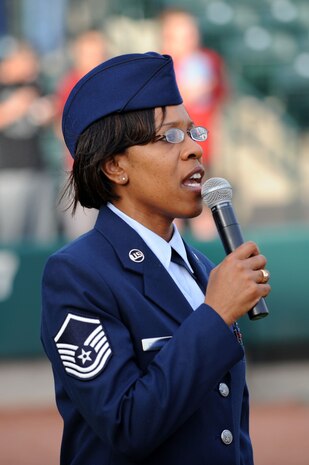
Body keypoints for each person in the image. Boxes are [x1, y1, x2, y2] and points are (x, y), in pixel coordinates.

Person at [41, 52, 271, 465]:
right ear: (115, 166)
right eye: (169, 137)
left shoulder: (201, 268)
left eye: (192, 132)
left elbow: (229, 431)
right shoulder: (77, 274)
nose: (194, 150)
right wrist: (215, 314)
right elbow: (126, 425)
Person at [160, 8, 229, 240]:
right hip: (170, 151)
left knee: (204, 210)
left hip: (204, 148)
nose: (187, 40)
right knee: (172, 212)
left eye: (190, 33)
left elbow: (220, 93)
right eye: (179, 34)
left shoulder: (208, 60)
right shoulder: (160, 66)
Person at [54, 29, 108, 239]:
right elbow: (61, 128)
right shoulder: (70, 84)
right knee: (83, 238)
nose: (94, 59)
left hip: (113, 173)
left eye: (98, 53)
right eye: (88, 53)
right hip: (82, 172)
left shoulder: (111, 82)